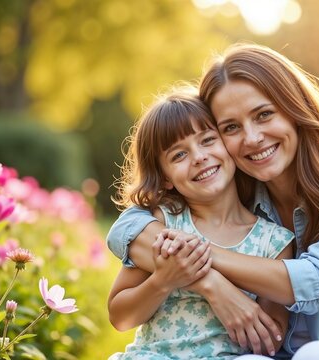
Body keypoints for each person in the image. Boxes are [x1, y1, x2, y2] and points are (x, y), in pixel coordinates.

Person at [107, 43, 319, 360]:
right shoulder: (236, 184)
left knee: (316, 354)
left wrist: (193, 259)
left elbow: (316, 279)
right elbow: (127, 226)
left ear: (295, 108)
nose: (252, 139)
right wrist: (211, 283)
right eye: (231, 127)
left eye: (264, 114)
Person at [107, 87, 294, 360]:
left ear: (228, 145)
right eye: (178, 155)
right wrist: (162, 281)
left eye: (207, 140)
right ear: (166, 177)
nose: (198, 157)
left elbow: (271, 341)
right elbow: (120, 318)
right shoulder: (165, 223)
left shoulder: (273, 242)